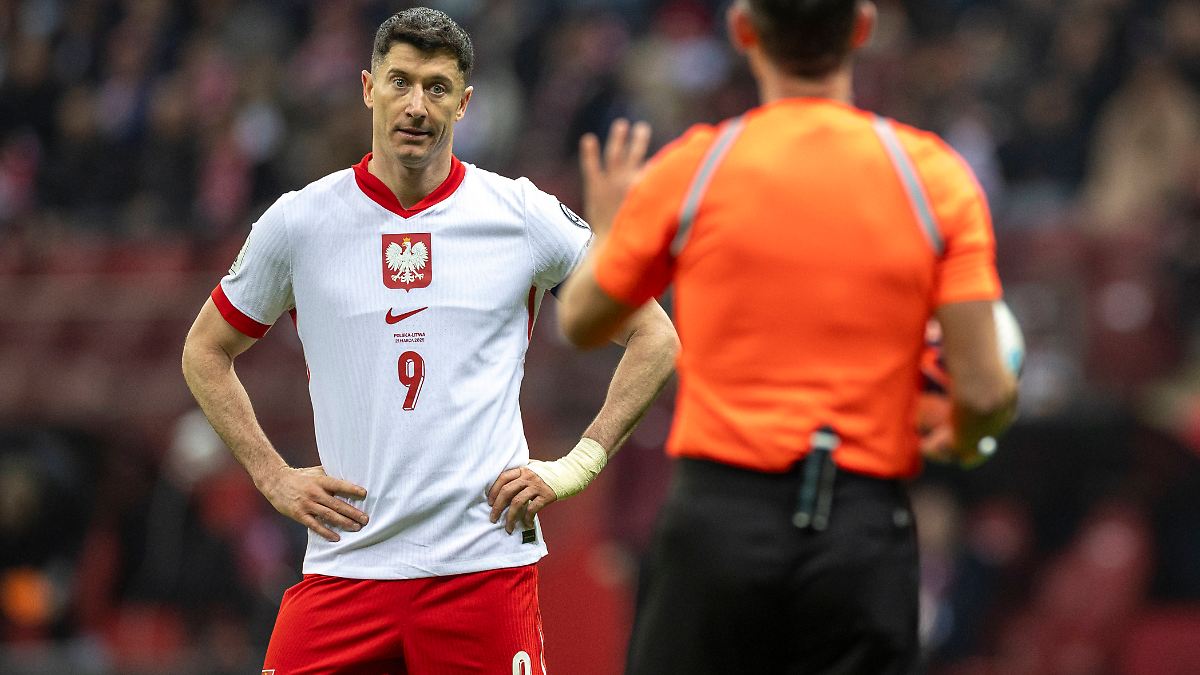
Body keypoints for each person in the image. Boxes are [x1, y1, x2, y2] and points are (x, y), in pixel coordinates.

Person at [180, 8, 678, 674]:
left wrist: (577, 464)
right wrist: (272, 475)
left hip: (482, 569)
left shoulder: (521, 215)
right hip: (347, 567)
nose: (417, 105)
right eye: (401, 82)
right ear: (369, 88)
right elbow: (204, 351)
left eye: (437, 87)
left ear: (464, 103)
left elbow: (655, 336)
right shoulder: (299, 223)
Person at [556, 0, 1018, 673]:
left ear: (744, 28)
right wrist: (967, 433)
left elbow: (582, 320)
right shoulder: (935, 179)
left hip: (720, 524)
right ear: (862, 27)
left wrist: (608, 229)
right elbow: (985, 388)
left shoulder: (695, 169)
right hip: (861, 532)